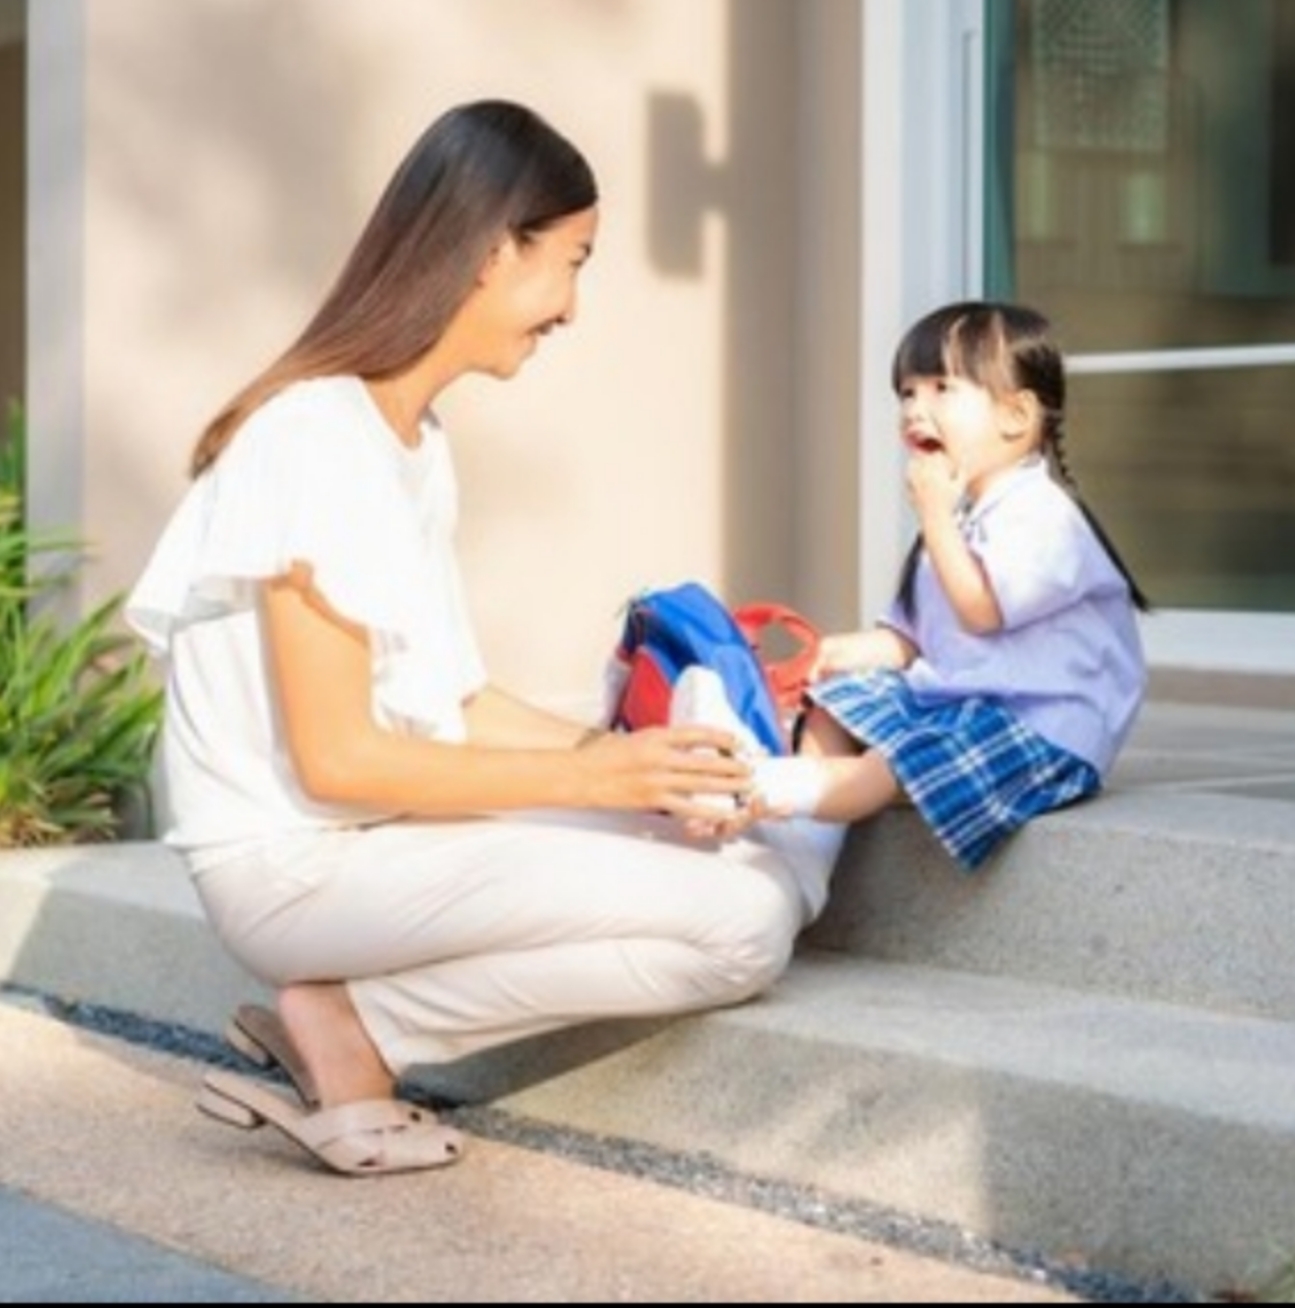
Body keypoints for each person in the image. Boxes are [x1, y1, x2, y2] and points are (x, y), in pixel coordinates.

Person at [124, 99, 831, 1177]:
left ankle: (350, 1021)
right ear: (495, 250)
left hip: (369, 846)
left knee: (744, 858)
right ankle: (361, 1034)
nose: (574, 307)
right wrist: (601, 785)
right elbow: (341, 759)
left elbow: (451, 697)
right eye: (574, 261)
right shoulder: (312, 439)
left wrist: (622, 765)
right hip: (296, 872)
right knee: (740, 923)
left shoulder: (407, 442)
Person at [680, 300, 1149, 873]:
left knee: (890, 761)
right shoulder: (955, 518)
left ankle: (760, 787)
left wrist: (935, 518)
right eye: (906, 392)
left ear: (1015, 416)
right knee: (831, 707)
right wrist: (838, 653)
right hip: (962, 700)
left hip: (1042, 729)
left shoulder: (1042, 515)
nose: (914, 410)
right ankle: (806, 835)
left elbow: (981, 612)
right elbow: (913, 639)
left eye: (941, 388)